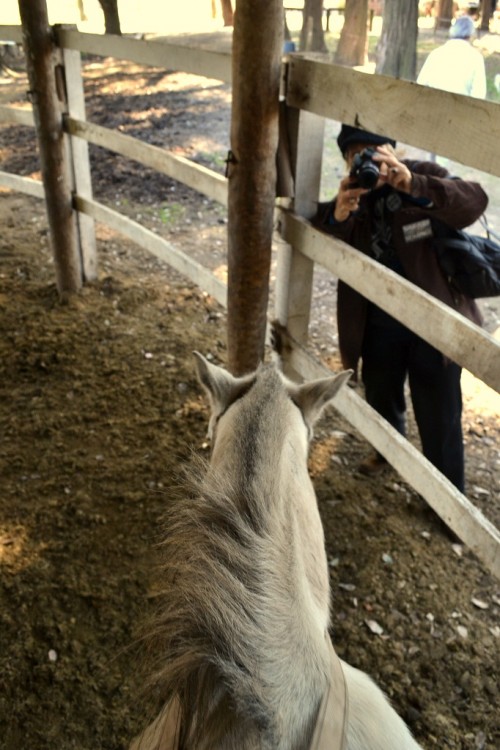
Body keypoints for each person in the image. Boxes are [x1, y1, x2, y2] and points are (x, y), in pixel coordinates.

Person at [313, 125, 488, 492]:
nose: (366, 161)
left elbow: (474, 201)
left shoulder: (423, 175)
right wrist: (339, 215)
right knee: (380, 391)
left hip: (434, 322)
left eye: (373, 152)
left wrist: (412, 185)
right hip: (376, 320)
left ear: (393, 150)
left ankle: (446, 495)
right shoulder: (354, 192)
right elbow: (322, 232)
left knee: (439, 410)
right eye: (355, 155)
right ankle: (386, 450)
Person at [416, 14, 486, 99]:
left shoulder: (436, 54)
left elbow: (420, 85)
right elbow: (479, 94)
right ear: (471, 35)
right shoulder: (476, 58)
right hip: (460, 108)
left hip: (433, 105)